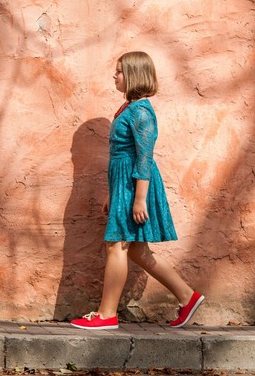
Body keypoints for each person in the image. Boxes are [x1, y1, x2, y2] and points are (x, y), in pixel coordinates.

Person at [70, 51, 204, 330]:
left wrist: (139, 198)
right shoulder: (129, 109)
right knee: (138, 251)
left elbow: (144, 157)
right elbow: (121, 154)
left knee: (117, 245)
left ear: (133, 76)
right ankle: (187, 297)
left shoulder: (141, 112)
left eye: (119, 71)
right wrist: (112, 192)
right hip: (124, 184)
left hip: (135, 183)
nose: (114, 76)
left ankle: (107, 314)